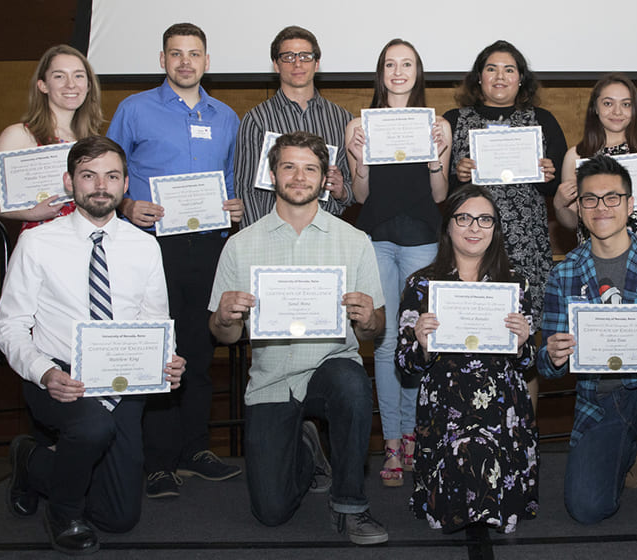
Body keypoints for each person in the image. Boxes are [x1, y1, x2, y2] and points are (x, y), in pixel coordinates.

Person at [0, 136, 185, 555]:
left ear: (125, 185)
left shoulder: (145, 246)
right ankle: (63, 512)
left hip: (124, 380)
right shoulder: (37, 243)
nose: (101, 185)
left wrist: (167, 361)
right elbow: (9, 326)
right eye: (89, 175)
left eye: (112, 176)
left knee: (119, 518)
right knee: (91, 427)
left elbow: (156, 322)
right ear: (69, 182)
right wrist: (45, 372)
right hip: (59, 375)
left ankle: (32, 462)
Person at [208, 131, 388, 545]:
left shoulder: (354, 241)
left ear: (326, 178)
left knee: (352, 383)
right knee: (271, 513)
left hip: (330, 369)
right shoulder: (240, 246)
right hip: (271, 381)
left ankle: (350, 505)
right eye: (289, 166)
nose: (299, 177)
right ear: (273, 175)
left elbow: (375, 326)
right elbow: (224, 333)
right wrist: (224, 315)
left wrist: (367, 317)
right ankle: (308, 451)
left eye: (310, 168)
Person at [105, 22, 243, 500]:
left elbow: (231, 179)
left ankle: (196, 450)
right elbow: (109, 172)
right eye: (176, 53)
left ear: (207, 61)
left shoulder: (226, 117)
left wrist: (235, 206)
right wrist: (125, 206)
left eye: (195, 54)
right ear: (162, 60)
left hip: (208, 246)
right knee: (160, 350)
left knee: (201, 352)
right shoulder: (133, 109)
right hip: (149, 245)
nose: (186, 61)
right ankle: (157, 461)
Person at [538, 155, 637, 536]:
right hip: (597, 405)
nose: (601, 207)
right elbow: (545, 365)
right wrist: (553, 354)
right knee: (587, 509)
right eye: (590, 199)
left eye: (613, 198)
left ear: (630, 205)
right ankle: (628, 452)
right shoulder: (563, 274)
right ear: (578, 209)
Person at [395, 185, 539, 533]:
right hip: (445, 405)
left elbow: (530, 363)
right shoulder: (421, 285)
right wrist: (423, 345)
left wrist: (522, 344)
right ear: (448, 226)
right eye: (464, 218)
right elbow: (404, 365)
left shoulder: (516, 285)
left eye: (485, 220)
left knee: (482, 437)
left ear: (495, 229)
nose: (474, 228)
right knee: (467, 447)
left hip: (501, 404)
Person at [343, 38, 452, 488]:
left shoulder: (438, 125)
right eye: (391, 64)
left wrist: (433, 159)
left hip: (423, 240)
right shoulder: (358, 126)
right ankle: (391, 443)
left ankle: (414, 436)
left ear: (418, 72)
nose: (399, 71)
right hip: (377, 240)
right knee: (385, 343)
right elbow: (362, 196)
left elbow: (442, 194)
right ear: (380, 72)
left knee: (419, 341)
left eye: (407, 64)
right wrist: (360, 157)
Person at [445, 39, 566, 412]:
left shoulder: (542, 121)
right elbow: (438, 190)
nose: (500, 76)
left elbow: (557, 187)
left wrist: (548, 173)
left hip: (525, 245)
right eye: (492, 68)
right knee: (470, 335)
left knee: (521, 341)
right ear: (479, 78)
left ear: (521, 80)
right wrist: (457, 173)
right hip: (471, 245)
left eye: (509, 69)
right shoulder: (453, 120)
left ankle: (522, 433)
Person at [235, 25, 353, 226]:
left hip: (327, 236)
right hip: (273, 236)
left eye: (305, 56)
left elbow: (353, 190)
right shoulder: (257, 119)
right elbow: (246, 189)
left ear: (316, 64)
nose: (297, 63)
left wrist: (343, 191)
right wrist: (262, 239)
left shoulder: (342, 119)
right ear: (276, 65)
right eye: (288, 57)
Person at [0, 45, 103, 229]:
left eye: (78, 75)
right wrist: (30, 213)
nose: (71, 84)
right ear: (43, 85)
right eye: (59, 76)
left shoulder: (92, 141)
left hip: (87, 243)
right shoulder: (20, 135)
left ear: (88, 85)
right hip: (41, 243)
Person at [552, 73, 637, 243]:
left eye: (626, 104)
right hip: (594, 255)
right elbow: (571, 223)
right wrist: (559, 204)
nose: (617, 111)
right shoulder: (576, 156)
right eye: (608, 103)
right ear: (595, 107)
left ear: (634, 109)